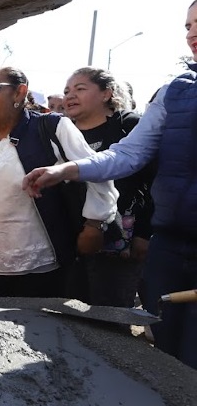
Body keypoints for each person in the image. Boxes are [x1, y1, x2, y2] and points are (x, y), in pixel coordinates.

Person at [23, 0, 197, 368]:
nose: (192, 34)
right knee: (166, 351)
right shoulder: (174, 92)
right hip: (170, 246)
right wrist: (67, 170)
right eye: (187, 26)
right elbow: (128, 155)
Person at [0, 67, 117, 298]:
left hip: (45, 270)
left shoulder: (52, 128)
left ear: (19, 93)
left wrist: (94, 224)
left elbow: (98, 171)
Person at [61, 67, 155, 307]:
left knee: (109, 317)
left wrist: (144, 234)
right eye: (67, 91)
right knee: (68, 314)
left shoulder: (129, 126)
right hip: (69, 238)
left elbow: (152, 182)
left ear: (106, 94)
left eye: (80, 89)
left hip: (120, 241)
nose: (70, 96)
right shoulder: (59, 131)